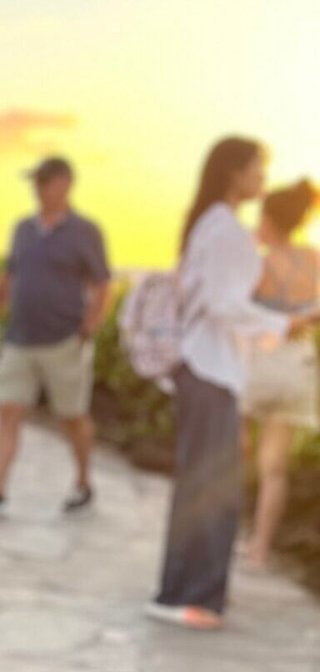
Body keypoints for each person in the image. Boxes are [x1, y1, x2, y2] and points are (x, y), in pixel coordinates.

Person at [150, 141, 320, 629]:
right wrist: (285, 325)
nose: (263, 178)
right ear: (233, 173)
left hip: (207, 367)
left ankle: (186, 591)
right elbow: (226, 305)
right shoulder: (227, 231)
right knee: (211, 488)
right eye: (258, 169)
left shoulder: (213, 225)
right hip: (212, 369)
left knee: (203, 484)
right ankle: (192, 595)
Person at [0, 156, 112, 517]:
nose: (38, 188)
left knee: (71, 417)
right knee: (8, 411)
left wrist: (88, 327)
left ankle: (83, 481)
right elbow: (9, 277)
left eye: (44, 181)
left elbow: (103, 283)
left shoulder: (85, 231)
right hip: (18, 339)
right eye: (36, 181)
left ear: (64, 184)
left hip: (64, 341)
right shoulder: (24, 229)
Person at [241, 178, 319, 569]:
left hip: (258, 364)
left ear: (269, 219)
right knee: (275, 468)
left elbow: (239, 313)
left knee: (235, 451)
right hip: (297, 367)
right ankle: (259, 548)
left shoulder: (258, 261)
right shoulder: (314, 259)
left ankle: (223, 532)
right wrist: (301, 317)